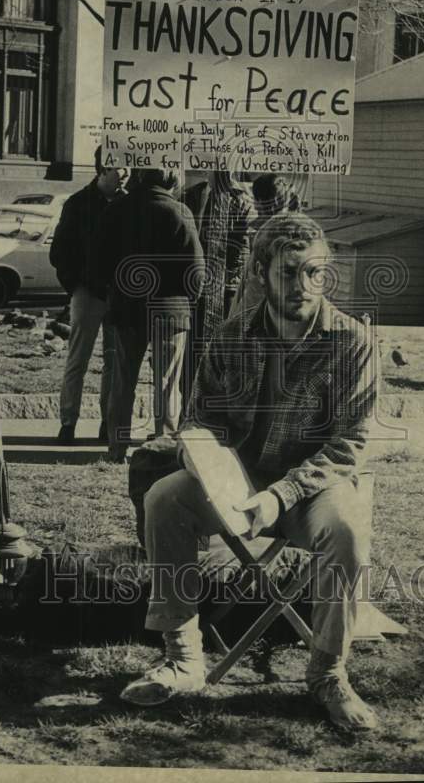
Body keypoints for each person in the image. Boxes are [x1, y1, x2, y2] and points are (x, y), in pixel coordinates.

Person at [120, 212, 380, 733]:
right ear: (261, 272)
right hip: (236, 487)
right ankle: (184, 657)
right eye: (290, 272)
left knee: (349, 529)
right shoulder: (231, 334)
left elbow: (349, 444)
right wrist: (204, 459)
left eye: (316, 272)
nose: (306, 285)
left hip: (312, 491)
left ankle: (328, 673)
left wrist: (280, 497)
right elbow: (202, 419)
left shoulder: (352, 341)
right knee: (164, 498)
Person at [100, 168, 205, 463]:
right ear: (170, 180)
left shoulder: (116, 209)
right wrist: (188, 302)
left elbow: (98, 260)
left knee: (122, 382)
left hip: (126, 307)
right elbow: (196, 270)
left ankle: (116, 448)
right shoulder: (179, 211)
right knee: (168, 385)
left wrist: (114, 292)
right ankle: (162, 449)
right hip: (170, 310)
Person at [49, 147, 129, 444]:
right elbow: (59, 252)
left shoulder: (128, 203)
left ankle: (107, 425)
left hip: (118, 295)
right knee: (78, 359)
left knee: (113, 362)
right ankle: (68, 423)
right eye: (121, 168)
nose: (126, 174)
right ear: (103, 169)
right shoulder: (78, 203)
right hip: (87, 293)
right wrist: (76, 287)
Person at [180, 169, 255, 415]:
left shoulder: (241, 200)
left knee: (221, 353)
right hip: (197, 288)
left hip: (225, 291)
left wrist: (223, 274)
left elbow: (242, 247)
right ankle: (187, 412)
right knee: (192, 354)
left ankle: (213, 414)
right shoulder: (194, 195)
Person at [228, 173, 302, 317]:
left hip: (261, 309)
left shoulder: (267, 234)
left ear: (264, 202)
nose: (254, 205)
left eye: (257, 200)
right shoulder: (297, 227)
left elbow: (256, 283)